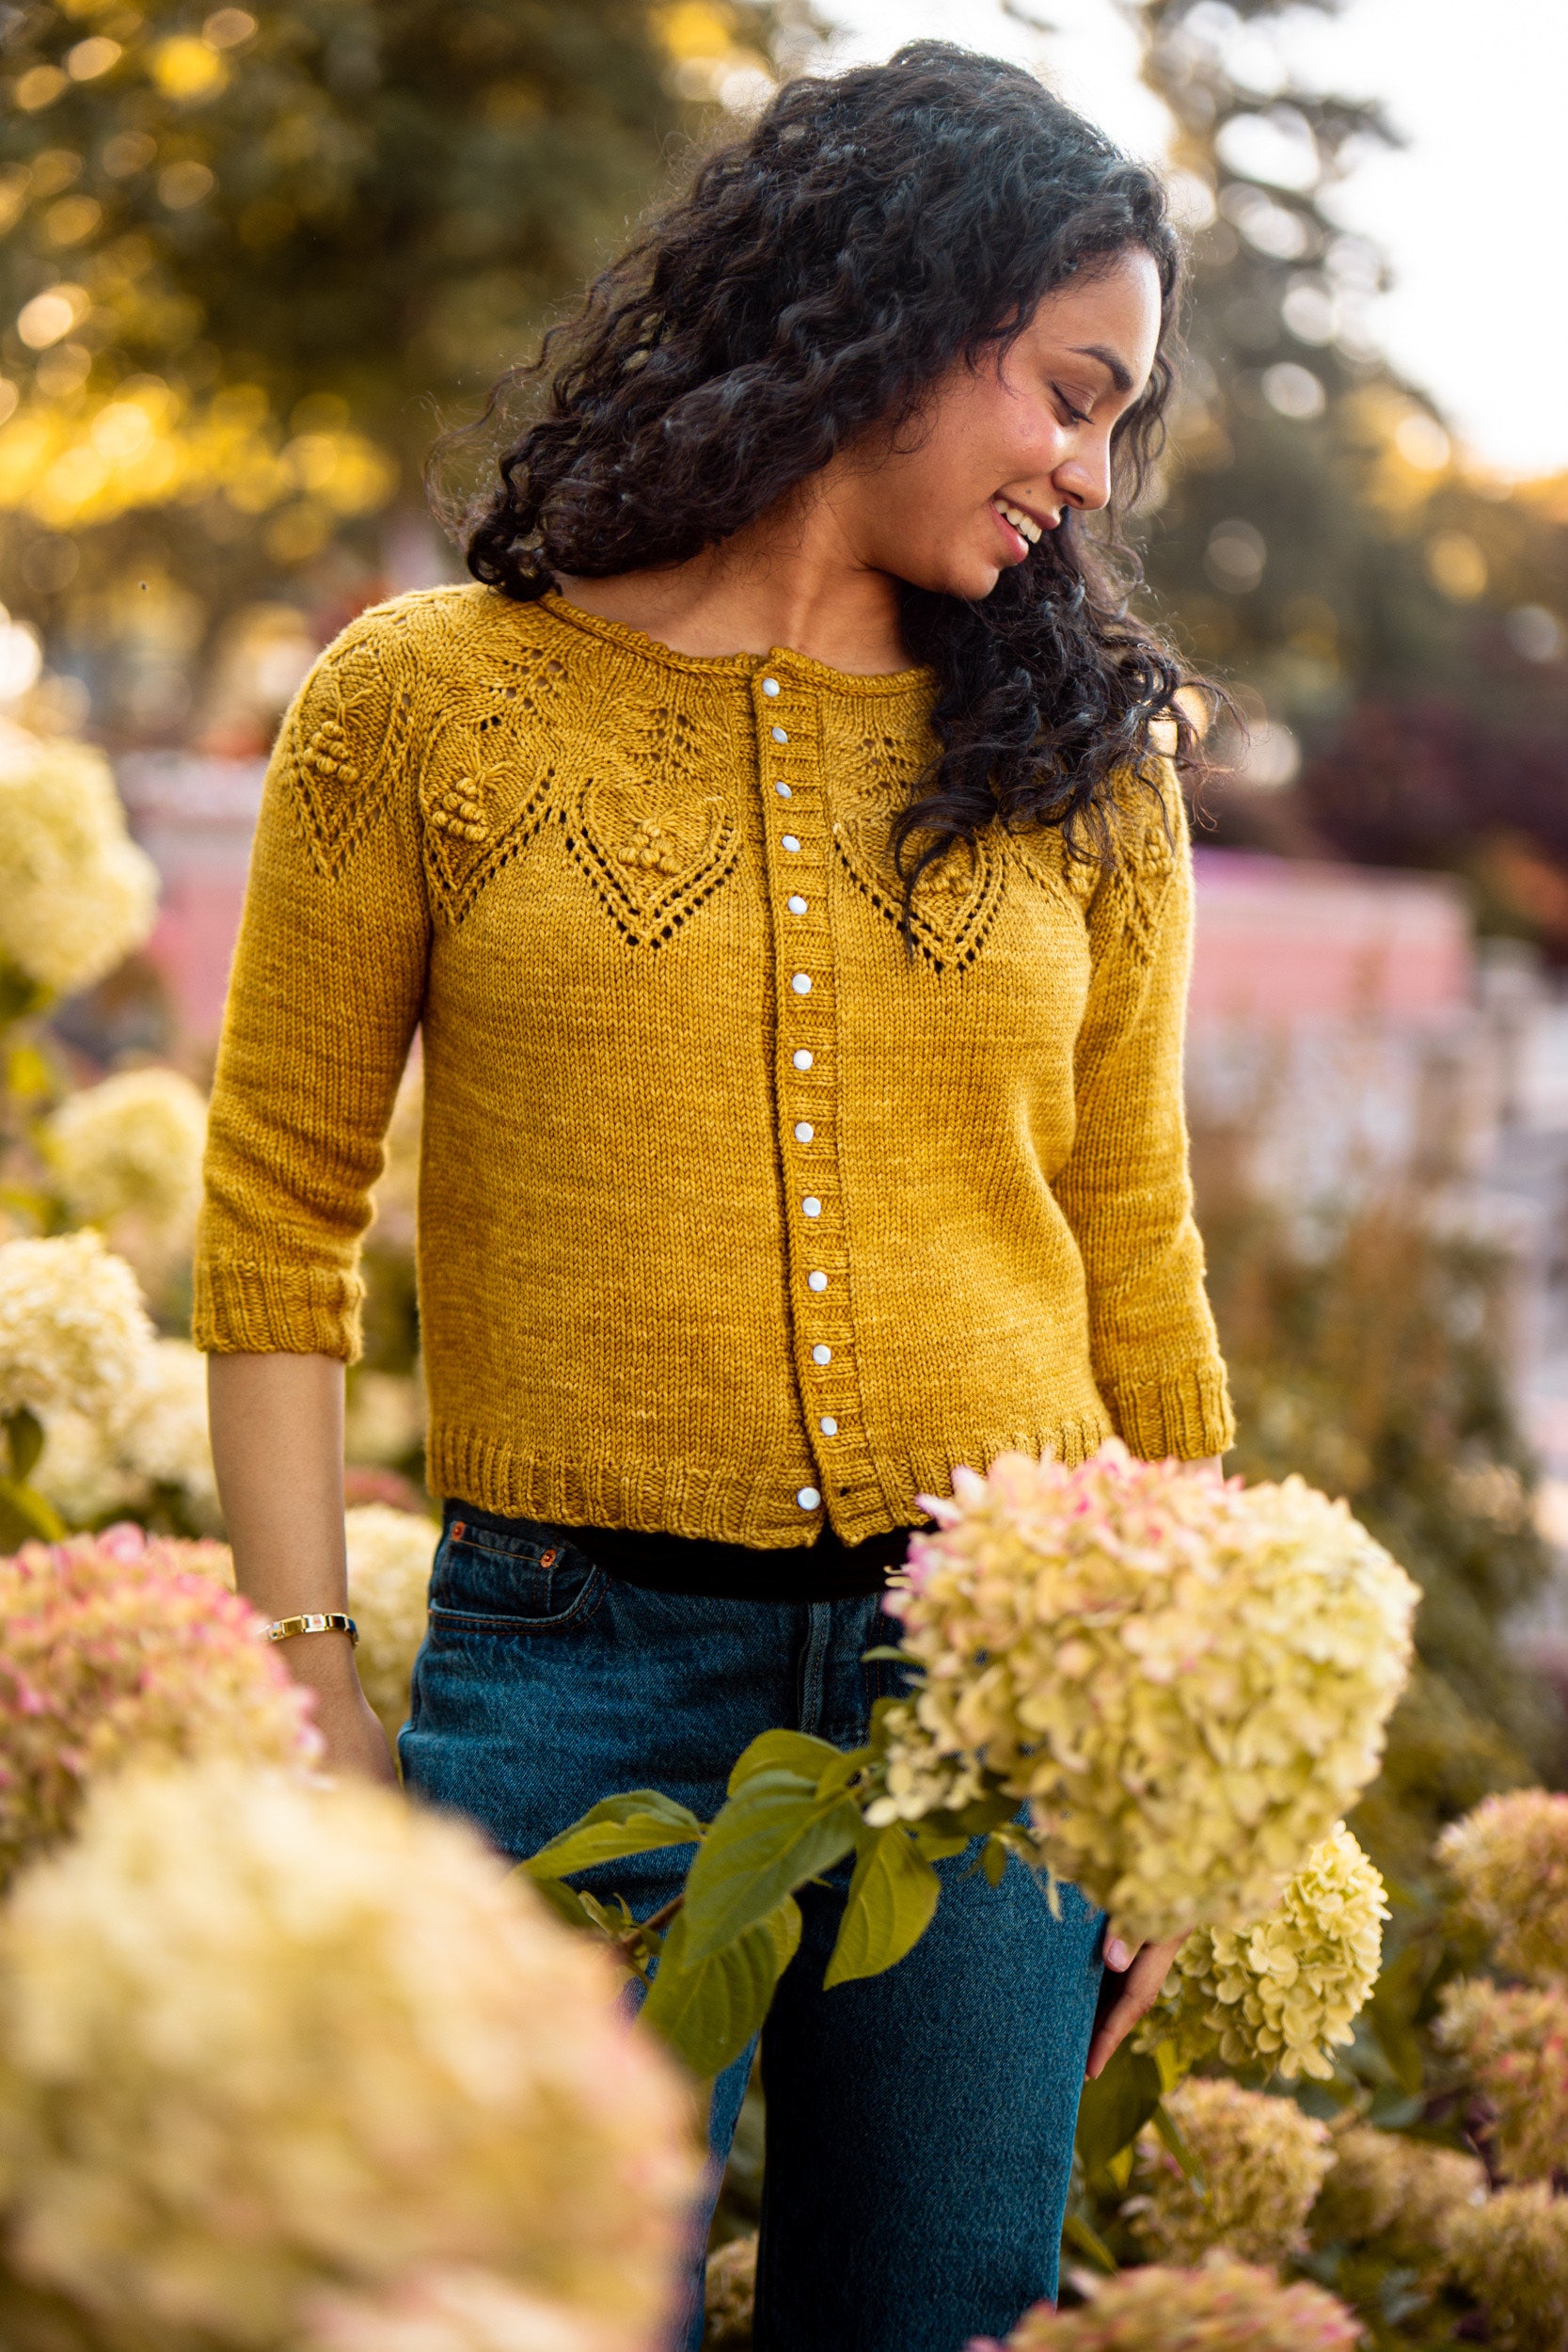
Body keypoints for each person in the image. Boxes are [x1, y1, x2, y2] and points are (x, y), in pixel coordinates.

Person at [199, 42, 1233, 2352]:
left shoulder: (1085, 766)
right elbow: (276, 1215)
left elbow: (1134, 1242)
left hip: (1000, 1683)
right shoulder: (427, 706)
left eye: (1115, 423)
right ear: (900, 309)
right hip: (571, 1674)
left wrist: (1182, 1730)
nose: (1086, 468)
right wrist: (311, 1684)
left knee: (946, 2318)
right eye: (1069, 392)